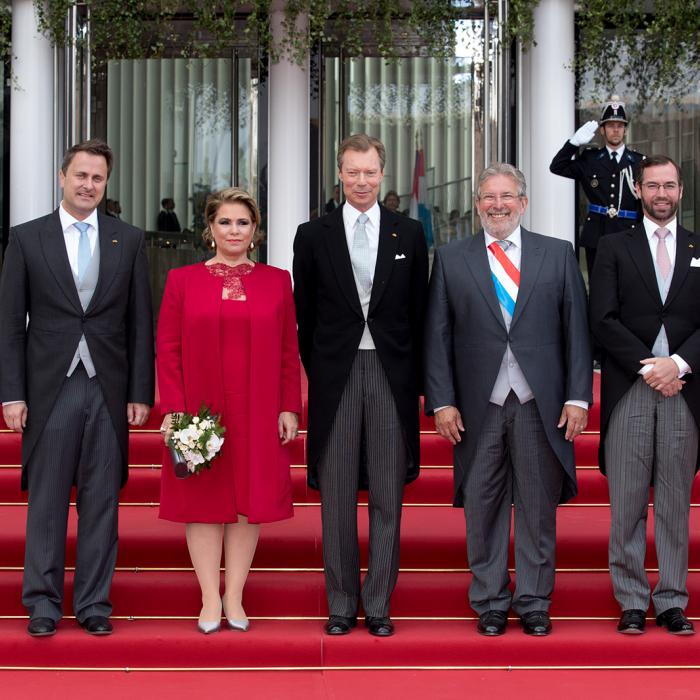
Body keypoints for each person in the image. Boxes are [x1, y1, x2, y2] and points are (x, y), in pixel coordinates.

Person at [424, 163, 592, 637]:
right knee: (483, 505)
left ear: (523, 202)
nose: (496, 205)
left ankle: (535, 601)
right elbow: (437, 336)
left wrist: (579, 397)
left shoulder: (557, 255)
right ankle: (491, 600)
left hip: (541, 402)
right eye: (487, 197)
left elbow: (576, 331)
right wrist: (442, 401)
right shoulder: (452, 258)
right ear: (477, 204)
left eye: (506, 196)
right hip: (478, 406)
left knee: (538, 508)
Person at [0, 139, 154, 637]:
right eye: (81, 175)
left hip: (107, 389)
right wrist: (11, 393)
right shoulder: (27, 239)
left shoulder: (127, 240)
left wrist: (139, 391)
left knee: (102, 501)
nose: (89, 185)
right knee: (45, 501)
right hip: (49, 389)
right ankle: (42, 603)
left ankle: (93, 603)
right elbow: (9, 324)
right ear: (62, 177)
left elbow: (139, 323)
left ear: (106, 184)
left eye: (98, 178)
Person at [293, 134, 428, 637]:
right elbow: (304, 314)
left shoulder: (409, 234)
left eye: (370, 172)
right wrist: (325, 367)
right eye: (353, 172)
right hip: (337, 377)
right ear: (340, 174)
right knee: (337, 494)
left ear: (383, 174)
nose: (362, 181)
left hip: (392, 376)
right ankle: (341, 602)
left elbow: (420, 310)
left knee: (389, 496)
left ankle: (379, 602)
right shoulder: (313, 234)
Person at [157, 187, 301, 634]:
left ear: (254, 230)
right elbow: (169, 348)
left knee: (248, 500)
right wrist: (176, 412)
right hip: (200, 407)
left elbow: (287, 351)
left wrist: (288, 407)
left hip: (258, 408)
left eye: (242, 222)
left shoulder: (278, 280)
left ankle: (235, 593)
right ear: (210, 228)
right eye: (225, 222)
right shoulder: (182, 281)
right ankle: (208, 597)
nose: (233, 230)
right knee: (203, 502)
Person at [589, 155, 700, 636]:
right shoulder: (613, 247)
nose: (661, 194)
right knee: (628, 501)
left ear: (681, 190)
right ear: (638, 189)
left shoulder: (699, 247)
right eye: (652, 185)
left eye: (669, 186)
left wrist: (675, 365)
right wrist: (651, 367)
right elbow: (602, 318)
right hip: (631, 387)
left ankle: (672, 598)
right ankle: (632, 599)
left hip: (685, 389)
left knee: (676, 503)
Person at [550, 96, 645, 278]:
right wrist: (573, 143)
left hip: (629, 232)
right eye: (610, 125)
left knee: (629, 285)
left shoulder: (638, 162)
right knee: (598, 287)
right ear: (602, 130)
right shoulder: (590, 159)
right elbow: (557, 167)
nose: (615, 130)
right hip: (597, 235)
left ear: (625, 129)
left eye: (619, 125)